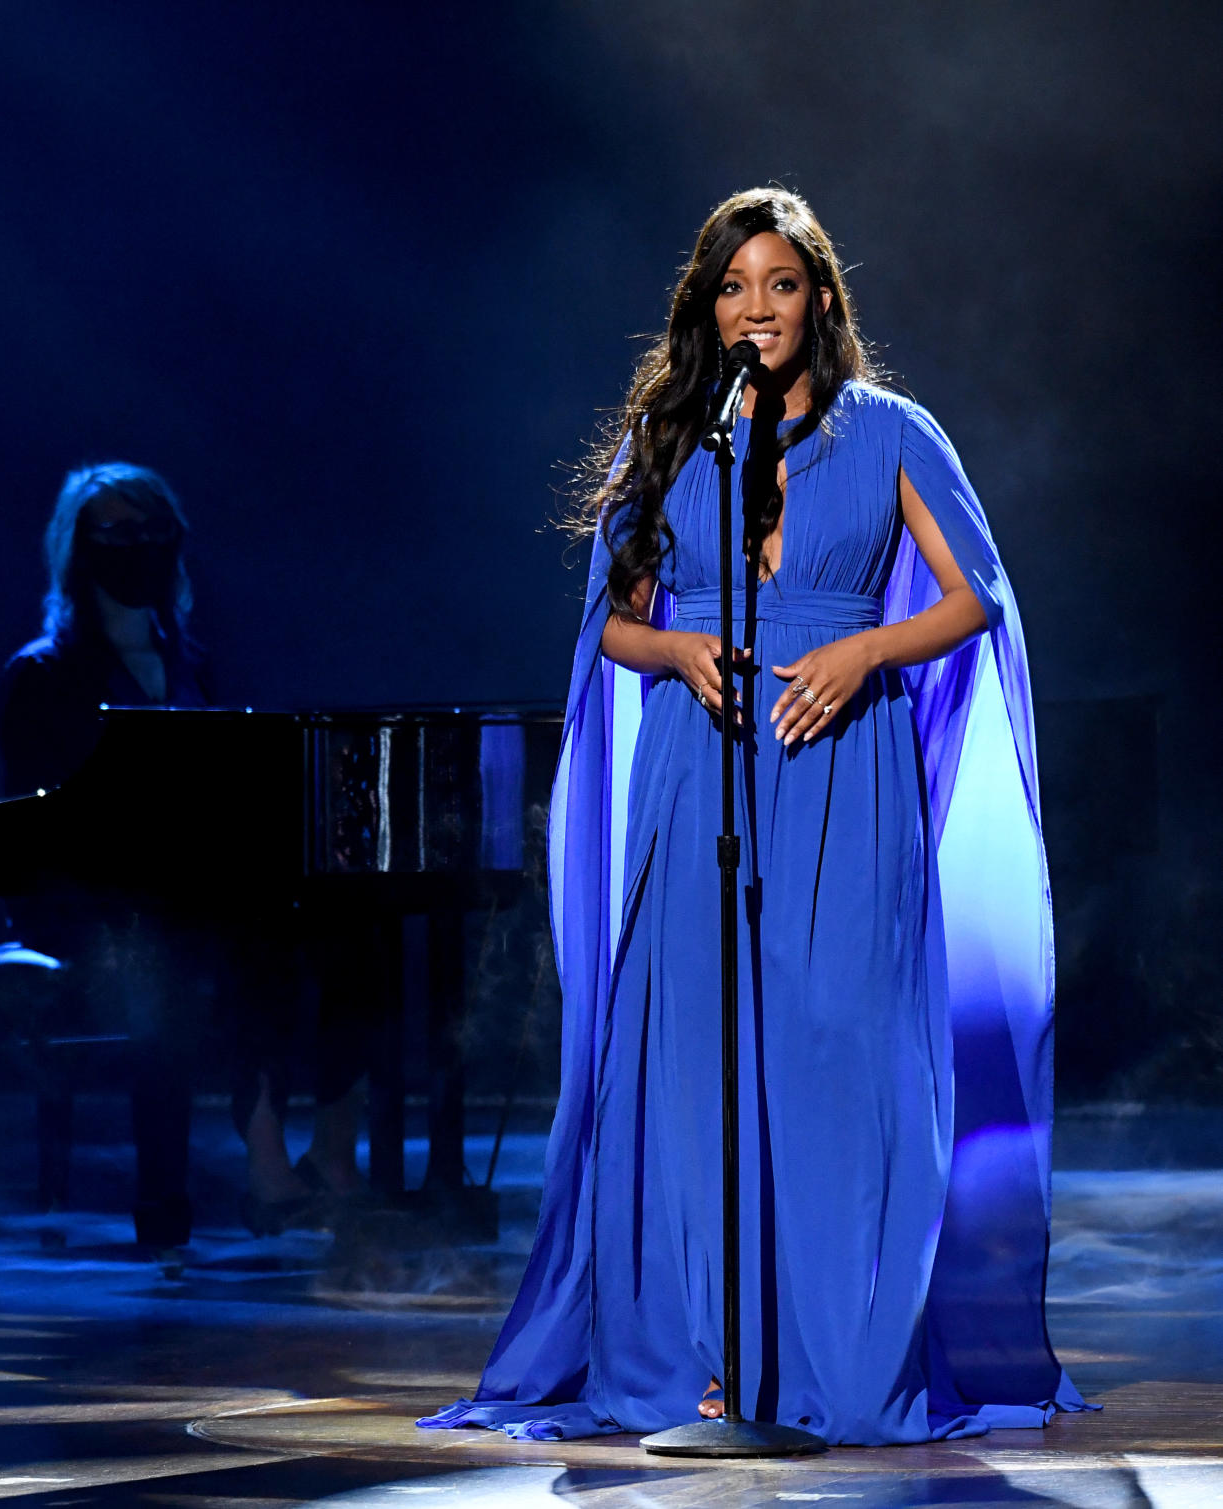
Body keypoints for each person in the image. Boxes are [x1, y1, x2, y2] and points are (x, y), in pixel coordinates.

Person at [420, 188, 1093, 1445]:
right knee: (700, 1058)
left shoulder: (892, 433)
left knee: (840, 1050)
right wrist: (674, 651)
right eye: (735, 287)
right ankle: (713, 1362)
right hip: (704, 768)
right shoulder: (677, 438)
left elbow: (978, 599)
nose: (757, 309)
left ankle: (834, 1359)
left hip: (846, 765)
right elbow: (611, 623)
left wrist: (864, 654)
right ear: (705, 306)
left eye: (780, 285)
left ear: (821, 301)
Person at [0, 463, 368, 1243]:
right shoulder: (42, 675)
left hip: (193, 891)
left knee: (340, 921)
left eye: (156, 531)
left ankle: (334, 1152)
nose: (142, 548)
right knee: (216, 941)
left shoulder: (195, 662)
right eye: (121, 534)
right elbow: (47, 830)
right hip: (89, 908)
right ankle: (259, 1169)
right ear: (81, 551)